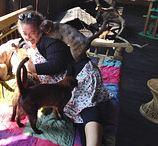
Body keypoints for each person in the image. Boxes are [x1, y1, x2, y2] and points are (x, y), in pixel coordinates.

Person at [17, 11, 114, 146]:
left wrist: (31, 67)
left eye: (32, 32)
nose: (27, 37)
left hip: (81, 75)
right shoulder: (31, 45)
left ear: (40, 29)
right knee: (80, 115)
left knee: (86, 107)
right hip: (66, 83)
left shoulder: (49, 41)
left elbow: (55, 65)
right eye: (24, 33)